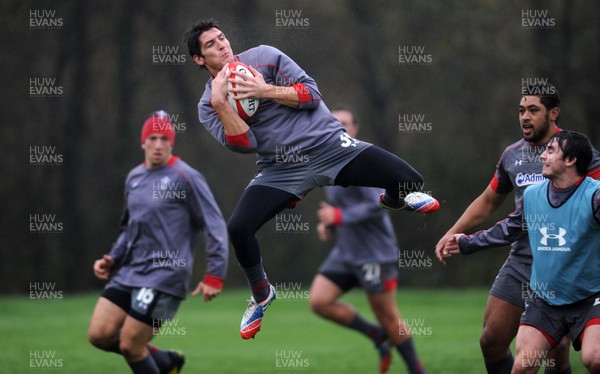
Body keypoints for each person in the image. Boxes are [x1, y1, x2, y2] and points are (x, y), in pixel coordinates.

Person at [184, 19, 439, 340]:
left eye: (222, 38)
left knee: (410, 181)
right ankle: (262, 294)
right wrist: (222, 103)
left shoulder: (264, 56)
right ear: (199, 59)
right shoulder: (208, 104)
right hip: (281, 169)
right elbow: (244, 145)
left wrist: (265, 91)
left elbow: (311, 94)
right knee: (238, 228)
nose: (222, 45)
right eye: (211, 44)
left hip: (330, 146)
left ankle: (391, 198)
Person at [435, 83, 600, 374]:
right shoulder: (512, 155)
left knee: (555, 354)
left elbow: (592, 200)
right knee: (491, 339)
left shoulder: (577, 152)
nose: (525, 116)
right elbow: (488, 202)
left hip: (569, 263)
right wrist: (454, 234)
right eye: (521, 110)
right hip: (522, 260)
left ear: (553, 114)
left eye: (533, 110)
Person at [87, 111, 229, 374]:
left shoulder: (186, 177)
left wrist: (215, 275)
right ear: (143, 142)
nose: (158, 144)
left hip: (165, 275)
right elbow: (129, 227)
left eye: (165, 138)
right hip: (131, 271)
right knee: (99, 334)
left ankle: (160, 362)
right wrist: (113, 258)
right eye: (152, 137)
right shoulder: (134, 178)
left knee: (130, 344)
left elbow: (215, 224)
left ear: (171, 143)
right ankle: (166, 362)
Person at [308, 107, 427, 374]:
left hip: (375, 253)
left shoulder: (362, 160)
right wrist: (330, 225)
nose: (340, 127)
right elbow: (341, 211)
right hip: (346, 251)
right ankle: (376, 336)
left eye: (345, 123)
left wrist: (339, 215)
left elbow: (378, 202)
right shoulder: (328, 160)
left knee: (388, 316)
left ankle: (418, 370)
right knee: (319, 301)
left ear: (356, 128)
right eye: (334, 123)